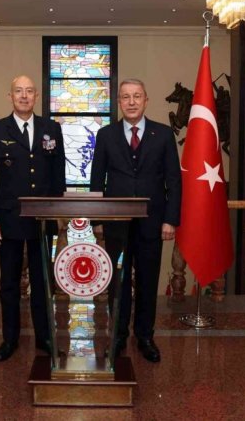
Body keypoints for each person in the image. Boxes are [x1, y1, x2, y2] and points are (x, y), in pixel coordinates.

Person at [90, 78, 181, 363]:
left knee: (147, 281)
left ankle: (145, 337)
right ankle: (117, 336)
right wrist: (96, 220)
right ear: (119, 102)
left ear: (146, 100)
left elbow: (174, 181)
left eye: (137, 96)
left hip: (152, 222)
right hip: (115, 223)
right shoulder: (106, 135)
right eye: (126, 97)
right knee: (117, 283)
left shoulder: (163, 134)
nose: (131, 102)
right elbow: (96, 181)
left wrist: (170, 220)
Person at [0, 75, 66, 362]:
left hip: (42, 219)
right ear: (10, 96)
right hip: (8, 219)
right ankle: (10, 339)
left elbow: (58, 177)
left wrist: (58, 214)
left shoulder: (51, 129)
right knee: (9, 283)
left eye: (29, 91)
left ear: (36, 96)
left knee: (43, 283)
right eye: (19, 91)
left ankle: (45, 338)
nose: (24, 96)